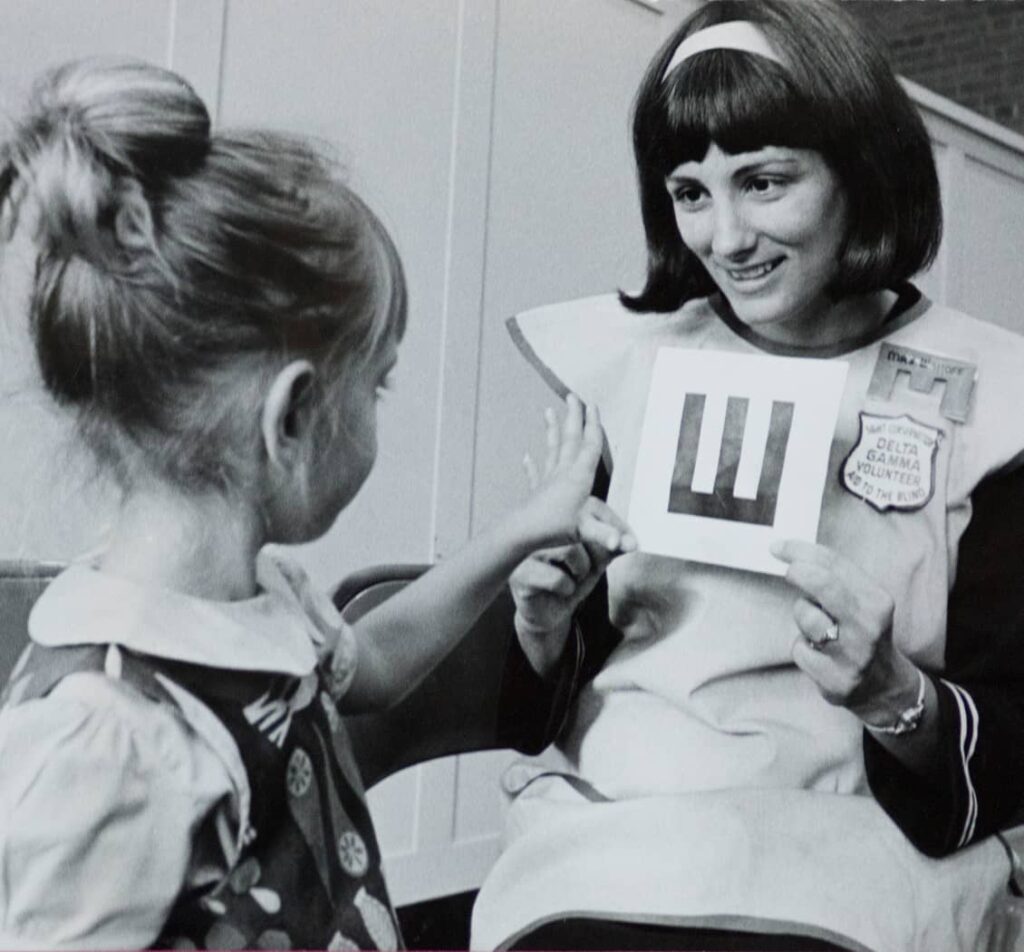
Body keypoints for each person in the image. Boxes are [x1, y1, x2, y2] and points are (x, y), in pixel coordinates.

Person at [0, 58, 632, 951]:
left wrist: (526, 523)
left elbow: (370, 669)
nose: (377, 413)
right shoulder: (107, 745)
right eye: (377, 386)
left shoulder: (264, 596)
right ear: (293, 417)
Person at [471, 2, 1024, 950]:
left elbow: (1012, 727)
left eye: (764, 182)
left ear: (861, 167)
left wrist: (895, 692)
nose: (725, 239)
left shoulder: (998, 400)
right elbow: (543, 699)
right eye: (691, 192)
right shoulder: (628, 367)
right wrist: (540, 621)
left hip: (864, 849)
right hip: (613, 836)